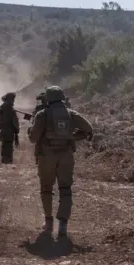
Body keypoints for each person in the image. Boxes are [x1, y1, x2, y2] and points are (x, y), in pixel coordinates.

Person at [27, 86, 93, 238]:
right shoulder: (71, 114)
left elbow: (33, 138)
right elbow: (88, 129)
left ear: (48, 98)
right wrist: (72, 137)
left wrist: (30, 130)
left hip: (47, 155)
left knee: (46, 188)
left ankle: (48, 222)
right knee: (65, 189)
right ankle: (63, 224)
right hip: (66, 156)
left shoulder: (42, 114)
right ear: (62, 97)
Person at [0, 92, 20, 164]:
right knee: (8, 147)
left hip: (4, 131)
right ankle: (7, 161)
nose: (13, 100)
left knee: (5, 146)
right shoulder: (9, 108)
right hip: (8, 131)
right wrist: (17, 130)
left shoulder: (3, 107)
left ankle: (5, 161)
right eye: (13, 99)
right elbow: (14, 121)